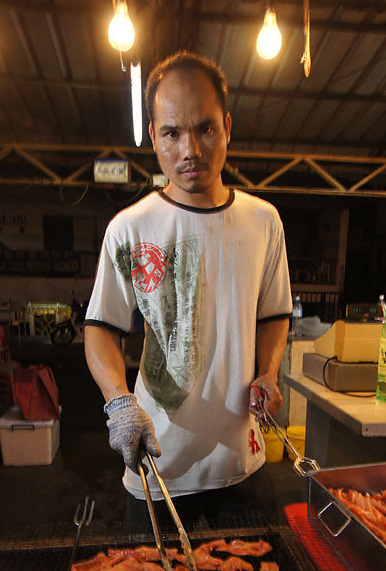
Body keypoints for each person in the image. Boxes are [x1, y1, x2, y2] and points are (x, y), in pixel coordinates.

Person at [84, 51, 292, 528]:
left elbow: (273, 312)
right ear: (154, 135)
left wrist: (270, 371)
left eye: (205, 128)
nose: (190, 149)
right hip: (159, 465)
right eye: (173, 133)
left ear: (228, 127)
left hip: (242, 462)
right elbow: (100, 329)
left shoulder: (263, 222)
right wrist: (118, 400)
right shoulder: (130, 230)